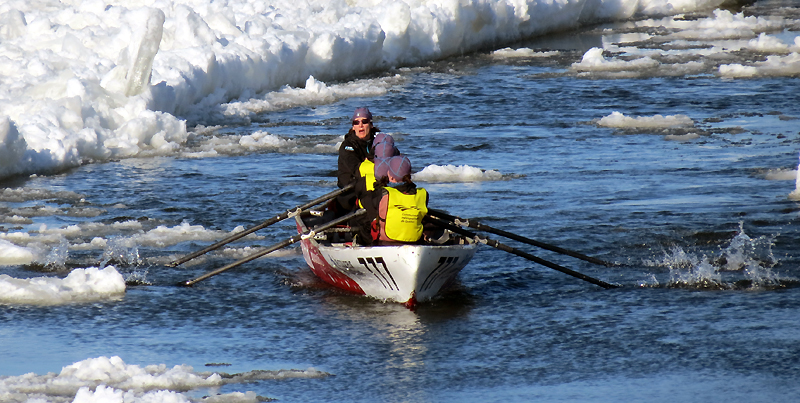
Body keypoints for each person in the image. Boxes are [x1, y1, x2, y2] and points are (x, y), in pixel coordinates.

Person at [369, 155, 429, 245]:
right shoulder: (423, 193)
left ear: (391, 177)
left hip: (387, 241)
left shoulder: (383, 193)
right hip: (415, 240)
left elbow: (369, 204)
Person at [335, 107, 378, 214]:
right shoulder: (348, 146)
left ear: (371, 125)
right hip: (350, 192)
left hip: (373, 188)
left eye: (364, 121)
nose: (360, 125)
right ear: (353, 127)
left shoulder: (378, 142)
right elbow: (357, 170)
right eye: (356, 122)